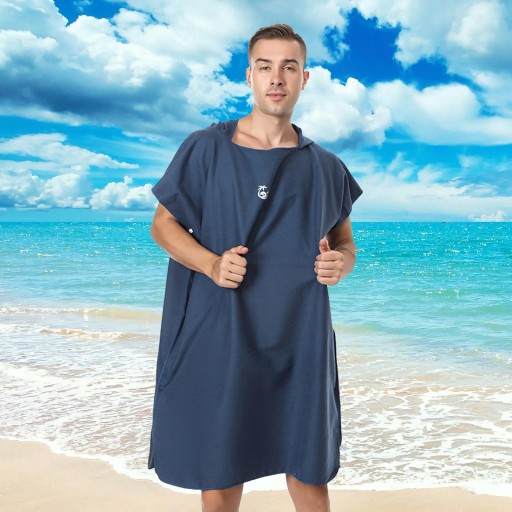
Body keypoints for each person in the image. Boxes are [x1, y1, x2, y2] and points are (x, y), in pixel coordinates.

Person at [148, 23, 363, 512]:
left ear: (304, 78)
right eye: (265, 66)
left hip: (300, 335)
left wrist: (342, 263)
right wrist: (210, 264)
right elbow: (163, 225)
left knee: (307, 468)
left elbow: (345, 240)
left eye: (289, 67)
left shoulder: (325, 165)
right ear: (250, 75)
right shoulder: (207, 147)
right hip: (223, 327)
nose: (276, 78)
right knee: (221, 468)